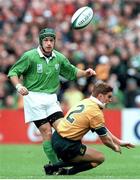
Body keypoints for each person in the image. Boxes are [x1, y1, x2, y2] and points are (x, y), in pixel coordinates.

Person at [7, 28, 96, 164]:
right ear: (41, 42)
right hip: (33, 98)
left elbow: (72, 71)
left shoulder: (59, 58)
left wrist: (85, 73)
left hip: (51, 98)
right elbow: (13, 72)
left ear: (54, 42)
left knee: (64, 130)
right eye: (46, 40)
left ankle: (68, 156)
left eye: (51, 40)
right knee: (47, 132)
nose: (49, 43)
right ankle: (55, 165)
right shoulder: (29, 56)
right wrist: (19, 86)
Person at [44, 81, 135, 175]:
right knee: (99, 158)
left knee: (89, 156)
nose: (110, 100)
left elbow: (102, 128)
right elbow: (105, 140)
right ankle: (57, 168)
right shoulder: (95, 112)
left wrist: (119, 142)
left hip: (57, 137)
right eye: (109, 96)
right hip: (68, 145)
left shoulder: (86, 101)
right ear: (100, 96)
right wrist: (114, 147)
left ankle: (56, 166)